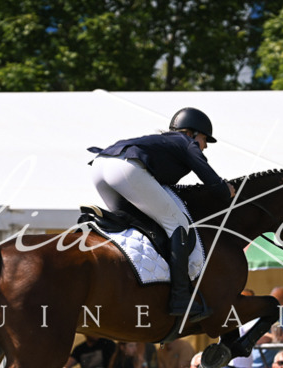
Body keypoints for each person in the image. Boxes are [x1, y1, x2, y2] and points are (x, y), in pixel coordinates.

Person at [88, 107, 235, 323]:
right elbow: (209, 178)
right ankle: (180, 298)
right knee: (178, 225)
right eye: (205, 140)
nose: (204, 147)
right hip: (126, 168)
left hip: (100, 166)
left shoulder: (164, 143)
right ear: (191, 132)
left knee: (138, 222)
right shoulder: (186, 143)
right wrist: (225, 189)